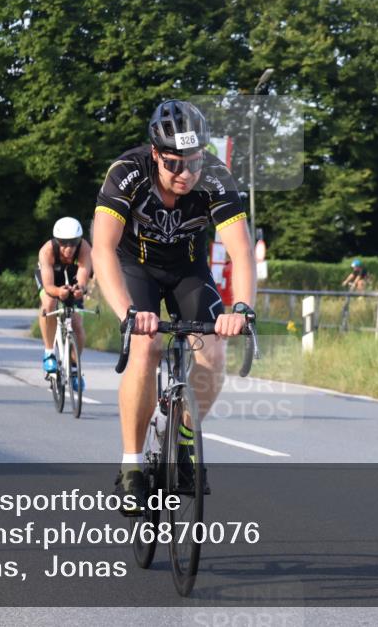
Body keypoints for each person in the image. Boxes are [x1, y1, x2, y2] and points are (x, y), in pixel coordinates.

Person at [92, 99, 255, 513]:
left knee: (214, 350)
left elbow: (242, 252)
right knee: (145, 347)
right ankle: (131, 466)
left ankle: (183, 443)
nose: (186, 174)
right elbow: (103, 250)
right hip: (135, 268)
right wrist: (128, 313)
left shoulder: (216, 177)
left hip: (188, 270)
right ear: (154, 155)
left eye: (195, 161)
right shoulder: (126, 173)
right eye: (174, 164)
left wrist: (242, 308)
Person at [36, 217, 93, 392]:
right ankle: (49, 353)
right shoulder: (47, 251)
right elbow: (48, 286)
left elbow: (83, 277)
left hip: (72, 276)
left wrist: (79, 290)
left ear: (79, 240)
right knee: (49, 302)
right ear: (56, 240)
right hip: (51, 279)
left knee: (76, 322)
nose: (68, 248)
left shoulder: (84, 248)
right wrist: (59, 292)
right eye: (63, 243)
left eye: (73, 243)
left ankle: (74, 368)